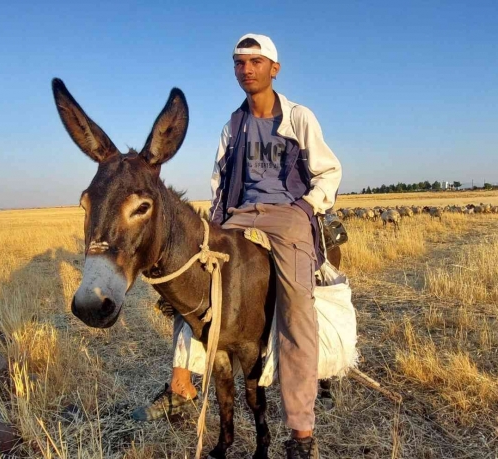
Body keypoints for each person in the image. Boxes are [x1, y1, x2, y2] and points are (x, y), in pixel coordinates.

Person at [132, 33, 342, 458]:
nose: (246, 69)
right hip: (237, 214)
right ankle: (181, 379)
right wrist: (216, 220)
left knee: (297, 308)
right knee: (186, 287)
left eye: (255, 62)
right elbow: (219, 178)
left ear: (273, 69)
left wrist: (306, 207)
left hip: (288, 215)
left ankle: (301, 433)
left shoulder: (299, 118)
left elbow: (328, 171)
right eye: (239, 63)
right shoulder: (233, 125)